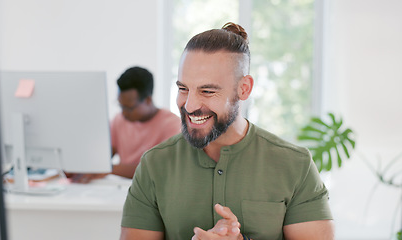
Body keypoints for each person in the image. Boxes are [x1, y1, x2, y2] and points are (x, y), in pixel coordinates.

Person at [120, 23, 334, 240]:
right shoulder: (154, 165)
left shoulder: (296, 165)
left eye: (207, 91)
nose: (190, 105)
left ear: (244, 89)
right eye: (183, 88)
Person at [68, 67, 181, 182]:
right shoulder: (119, 120)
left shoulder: (172, 125)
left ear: (147, 100)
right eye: (121, 106)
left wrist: (108, 169)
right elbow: (102, 157)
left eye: (129, 108)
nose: (124, 112)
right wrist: (79, 166)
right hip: (122, 189)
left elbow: (157, 170)